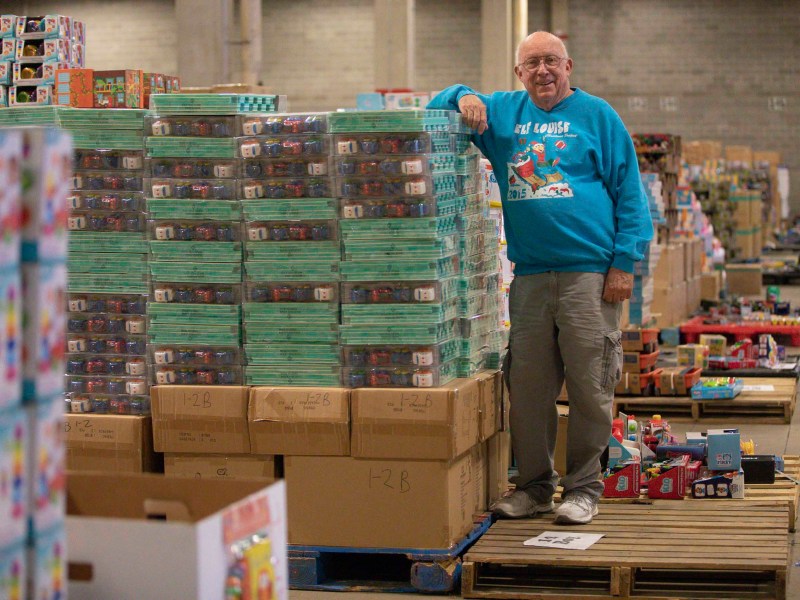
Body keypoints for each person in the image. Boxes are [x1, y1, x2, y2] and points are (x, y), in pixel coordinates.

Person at [427, 31, 653, 524]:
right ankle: (533, 488)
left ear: (568, 65)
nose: (543, 71)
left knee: (591, 386)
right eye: (532, 63)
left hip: (589, 277)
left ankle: (584, 489)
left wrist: (623, 263)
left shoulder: (598, 116)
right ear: (518, 73)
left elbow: (630, 194)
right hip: (529, 279)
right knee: (527, 388)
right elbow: (438, 101)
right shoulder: (504, 113)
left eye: (551, 61)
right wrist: (462, 94)